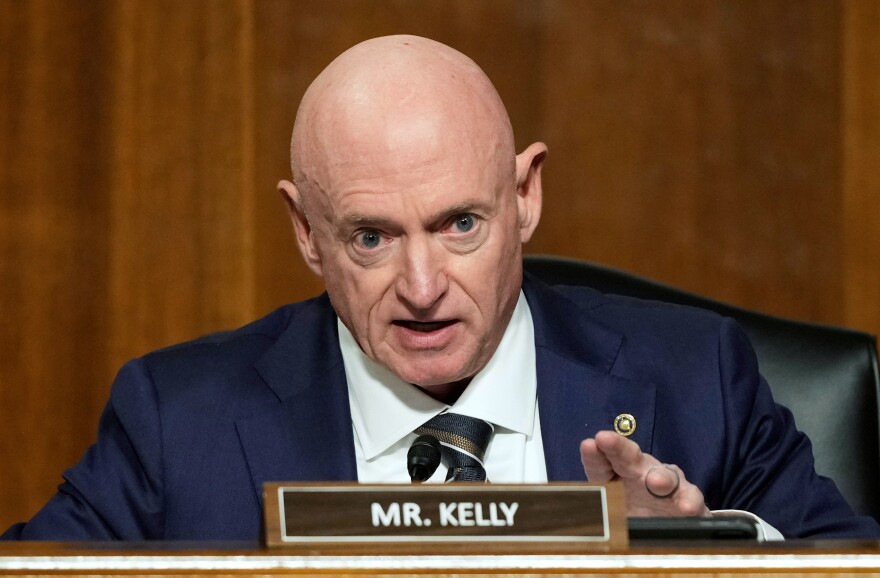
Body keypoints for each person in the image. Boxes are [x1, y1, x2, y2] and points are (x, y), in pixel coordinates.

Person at [3, 35, 878, 541]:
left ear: (525, 197)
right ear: (307, 231)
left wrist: (712, 557)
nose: (423, 287)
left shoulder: (698, 382)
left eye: (461, 224)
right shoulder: (176, 420)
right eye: (372, 236)